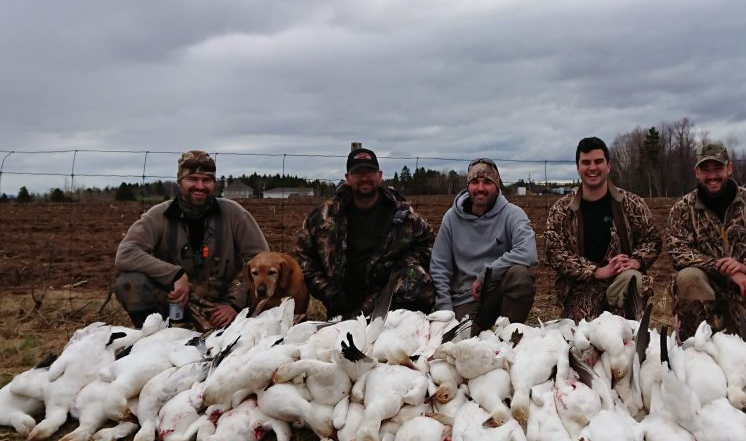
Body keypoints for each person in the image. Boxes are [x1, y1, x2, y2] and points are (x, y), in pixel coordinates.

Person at [113, 150, 269, 330]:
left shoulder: (234, 214)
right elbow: (125, 254)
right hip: (175, 302)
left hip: (223, 306)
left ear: (214, 183)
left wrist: (235, 305)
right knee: (130, 282)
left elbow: (261, 260)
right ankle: (154, 334)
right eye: (193, 179)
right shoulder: (158, 216)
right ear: (180, 181)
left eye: (207, 180)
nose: (200, 186)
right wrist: (175, 274)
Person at [665, 142, 746, 338]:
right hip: (704, 295)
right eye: (705, 170)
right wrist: (724, 269)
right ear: (696, 172)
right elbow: (677, 252)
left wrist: (745, 267)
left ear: (729, 168)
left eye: (718, 168)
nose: (712, 176)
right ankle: (692, 340)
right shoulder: (682, 209)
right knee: (688, 277)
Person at [296, 147, 435, 319]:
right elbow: (304, 260)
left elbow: (429, 243)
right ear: (347, 178)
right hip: (344, 307)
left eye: (369, 172)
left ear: (379, 176)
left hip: (390, 303)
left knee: (417, 279)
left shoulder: (403, 215)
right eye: (358, 173)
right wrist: (331, 293)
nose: (364, 178)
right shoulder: (323, 217)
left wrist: (400, 267)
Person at [545, 137, 662, 322]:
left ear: (608, 165)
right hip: (583, 287)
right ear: (578, 168)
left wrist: (635, 261)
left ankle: (629, 332)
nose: (592, 168)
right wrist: (596, 271)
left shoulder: (632, 203)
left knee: (633, 283)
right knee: (579, 341)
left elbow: (652, 240)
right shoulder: (562, 209)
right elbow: (555, 252)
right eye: (586, 162)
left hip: (620, 279)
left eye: (598, 161)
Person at [430, 158, 537, 329]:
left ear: (497, 186)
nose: (480, 188)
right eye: (475, 182)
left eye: (487, 182)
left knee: (520, 275)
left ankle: (506, 337)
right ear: (468, 186)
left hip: (498, 295)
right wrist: (445, 312)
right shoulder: (451, 218)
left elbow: (528, 252)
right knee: (465, 347)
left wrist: (486, 274)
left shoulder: (513, 214)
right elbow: (439, 267)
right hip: (465, 299)